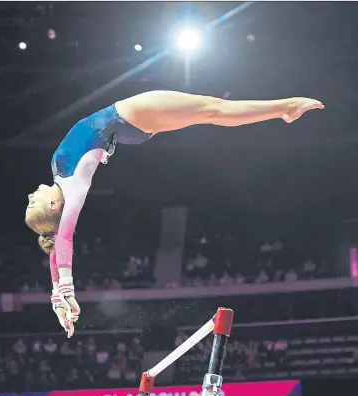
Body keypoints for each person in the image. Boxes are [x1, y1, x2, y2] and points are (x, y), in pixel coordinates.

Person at [24, 90, 324, 337]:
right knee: (214, 110)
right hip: (125, 115)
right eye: (32, 203)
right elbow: (62, 237)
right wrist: (66, 286)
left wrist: (57, 299)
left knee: (212, 113)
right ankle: (287, 107)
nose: (29, 195)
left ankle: (284, 109)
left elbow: (54, 239)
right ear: (53, 207)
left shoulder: (61, 179)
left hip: (128, 126)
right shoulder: (72, 187)